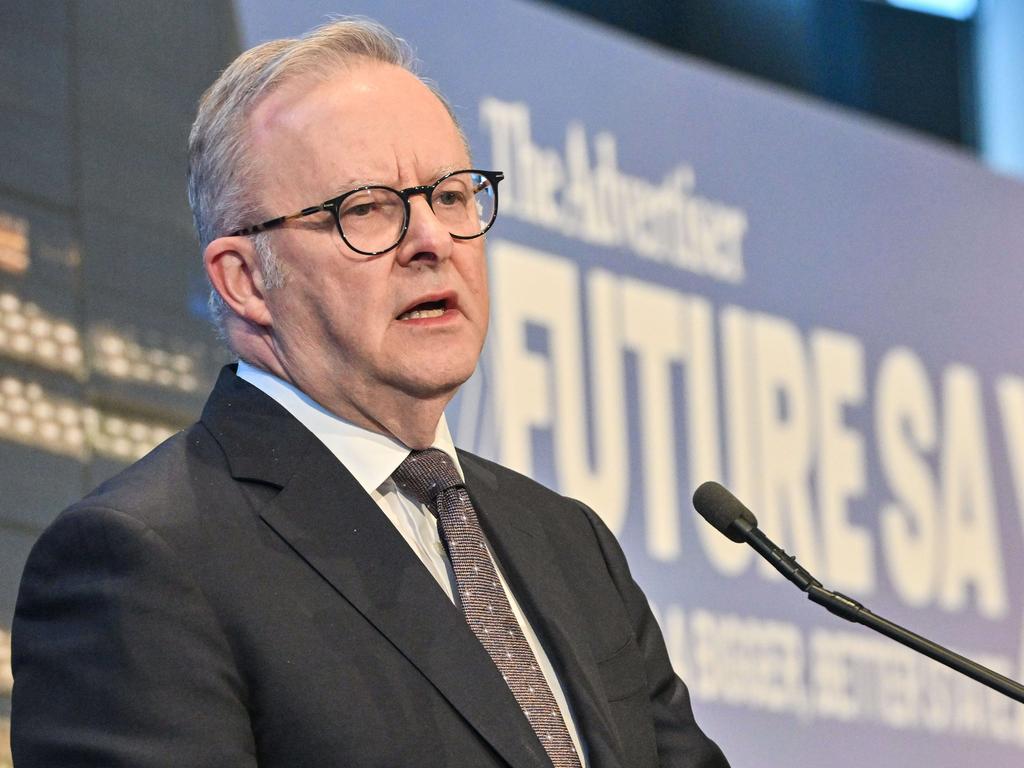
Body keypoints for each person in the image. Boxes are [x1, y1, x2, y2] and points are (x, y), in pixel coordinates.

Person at [10, 18, 729, 768]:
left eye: (451, 195)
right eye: (366, 209)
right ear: (245, 280)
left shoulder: (568, 543)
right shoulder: (146, 561)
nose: (433, 240)